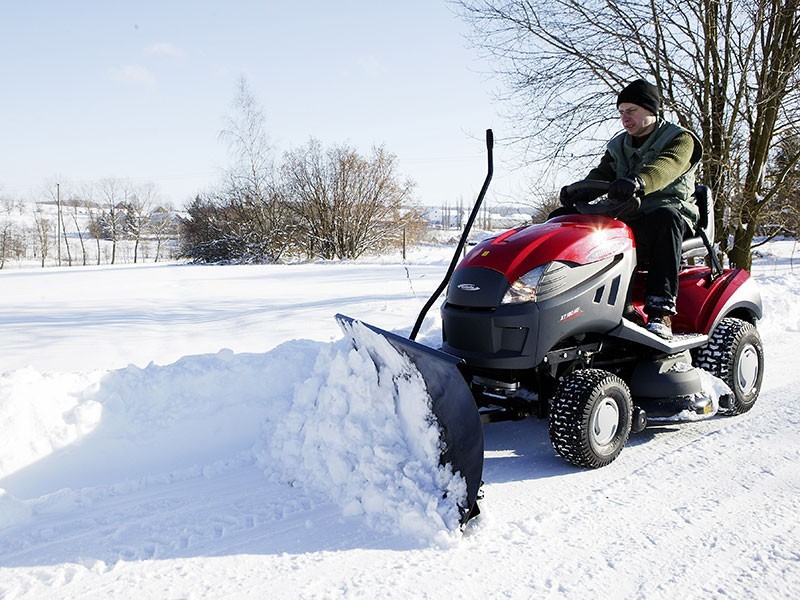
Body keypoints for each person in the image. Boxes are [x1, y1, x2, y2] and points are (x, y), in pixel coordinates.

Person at [559, 78, 703, 339]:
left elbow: (667, 165)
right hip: (629, 215)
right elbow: (602, 173)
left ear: (651, 110)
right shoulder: (619, 146)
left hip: (668, 214)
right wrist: (578, 191)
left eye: (631, 111)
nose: (625, 118)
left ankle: (660, 311)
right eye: (621, 112)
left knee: (665, 218)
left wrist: (639, 181)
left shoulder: (680, 139)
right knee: (564, 220)